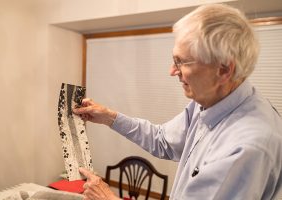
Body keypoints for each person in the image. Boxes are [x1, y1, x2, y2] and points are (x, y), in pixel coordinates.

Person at [73, 3, 282, 200]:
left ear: (224, 69)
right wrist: (109, 117)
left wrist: (108, 198)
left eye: (181, 62)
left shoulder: (245, 148)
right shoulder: (208, 102)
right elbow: (162, 140)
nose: (172, 71)